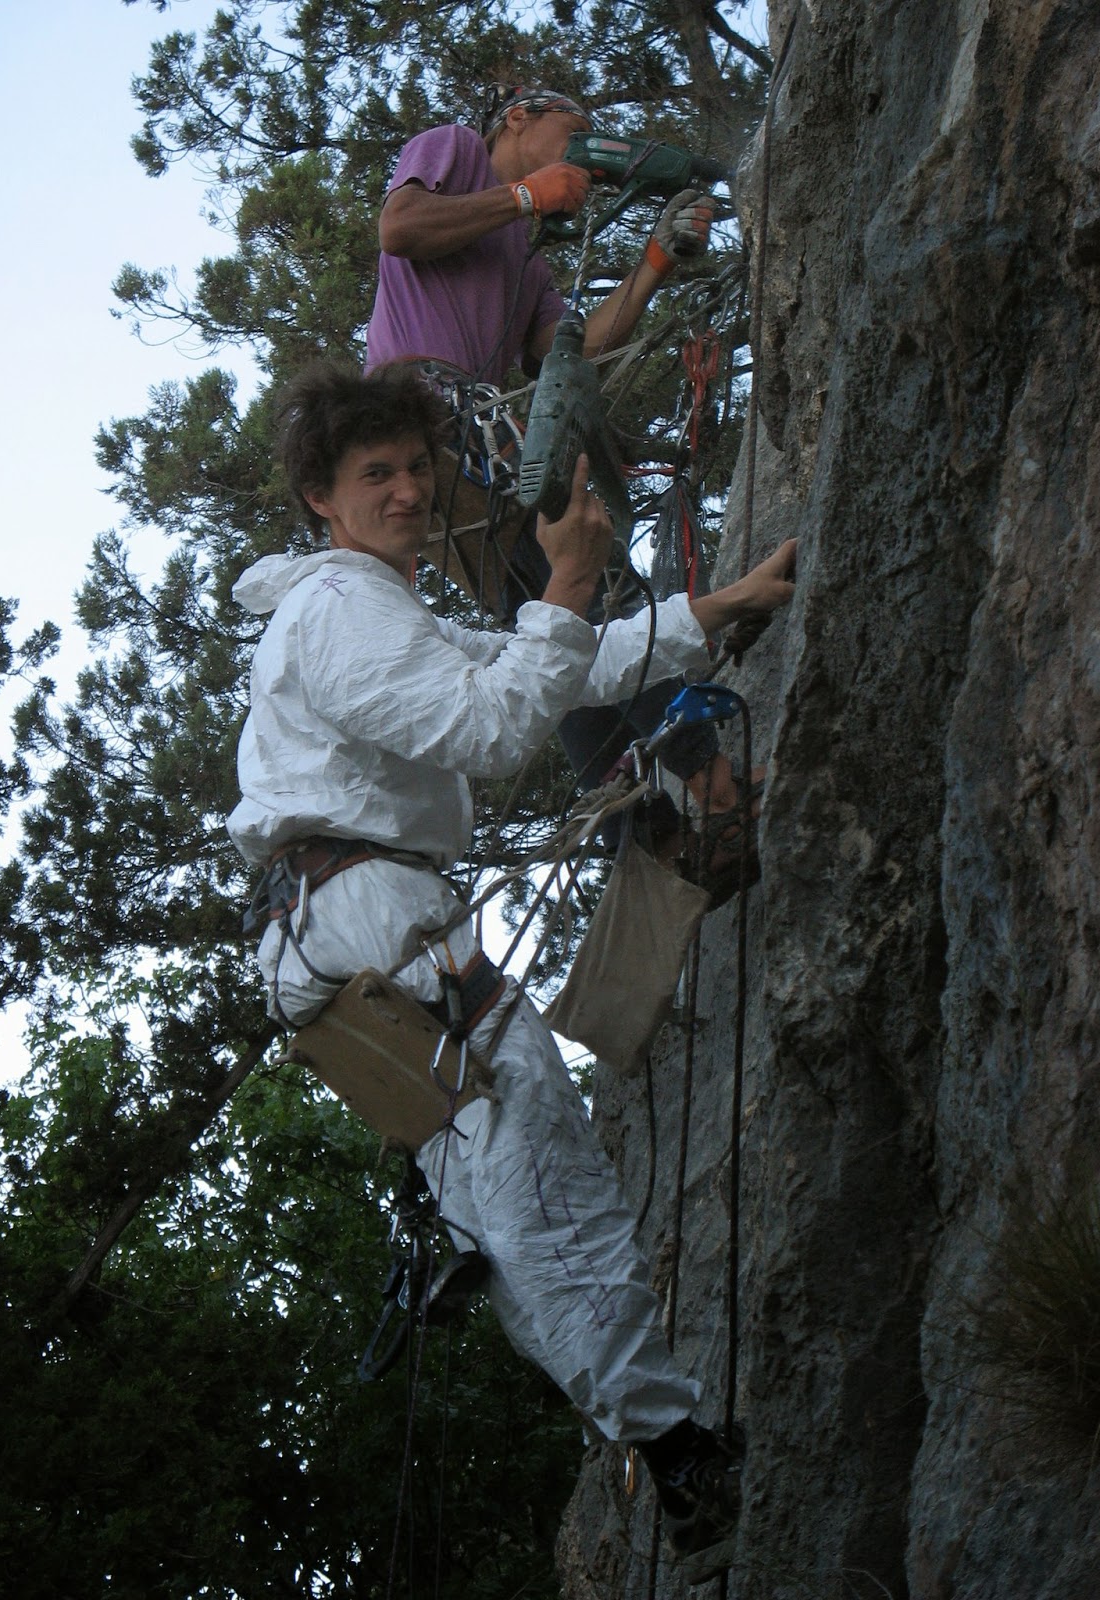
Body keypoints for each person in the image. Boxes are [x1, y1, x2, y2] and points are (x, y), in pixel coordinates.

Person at [227, 362, 797, 1584]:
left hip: (330, 944)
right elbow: (492, 726)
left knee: (500, 1204)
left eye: (416, 467)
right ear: (319, 500)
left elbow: (553, 662)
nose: (408, 489)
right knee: (541, 1165)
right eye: (373, 473)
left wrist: (717, 604)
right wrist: (575, 578)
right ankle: (679, 1448)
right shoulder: (341, 608)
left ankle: (660, 1433)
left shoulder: (372, 609)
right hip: (375, 920)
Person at [364, 84, 762, 901]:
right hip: (427, 412)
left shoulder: (527, 261)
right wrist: (523, 194)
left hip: (463, 439)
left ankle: (641, 836)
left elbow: (571, 346)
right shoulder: (455, 149)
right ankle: (712, 789)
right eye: (571, 131)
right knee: (596, 581)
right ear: (517, 118)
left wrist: (654, 261)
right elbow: (399, 229)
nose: (582, 149)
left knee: (559, 626)